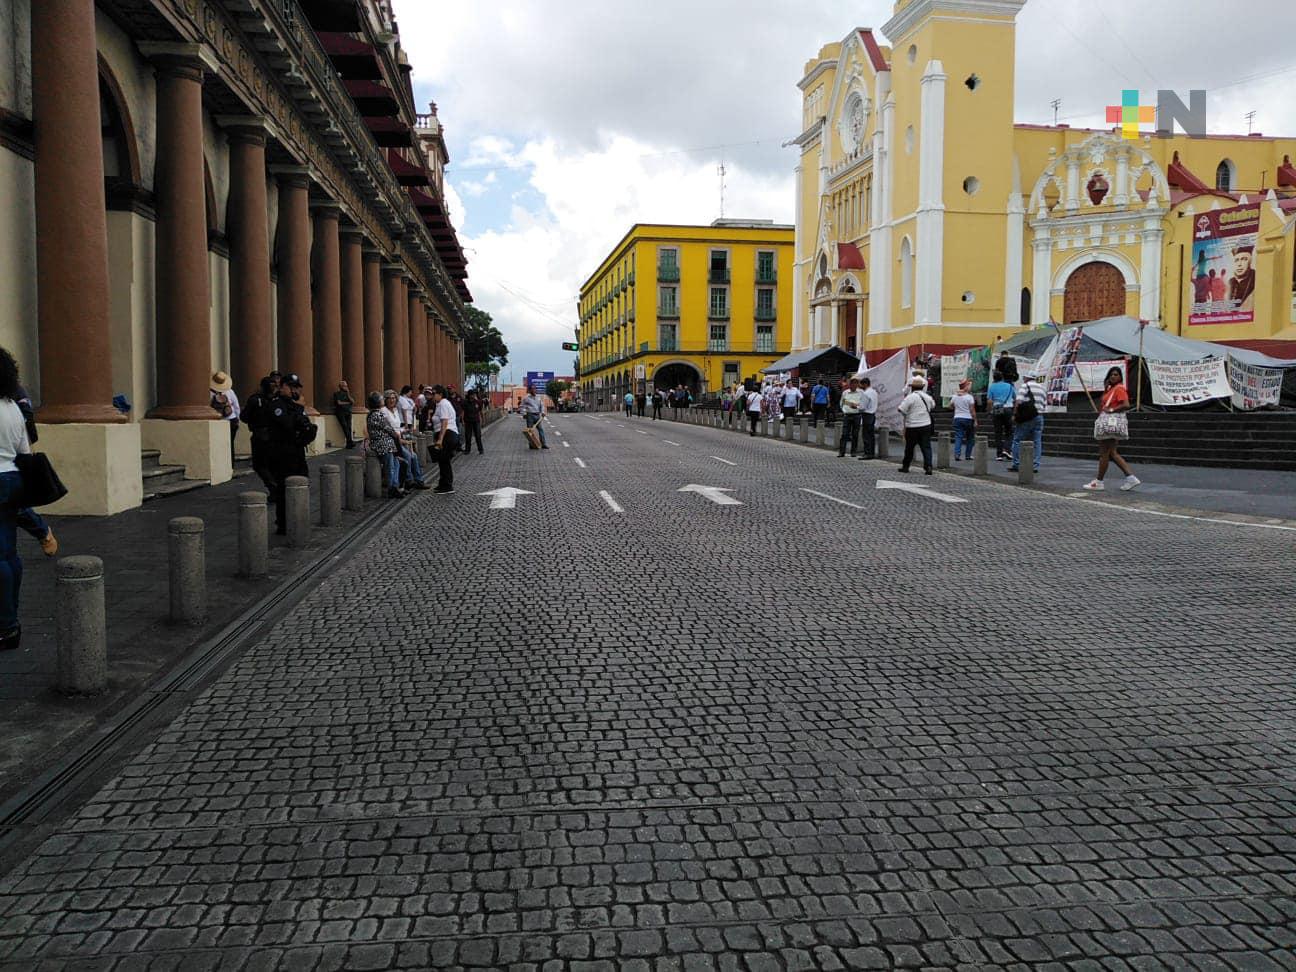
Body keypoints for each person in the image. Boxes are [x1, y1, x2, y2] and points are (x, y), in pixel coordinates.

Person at [0, 348, 31, 650]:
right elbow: (25, 451)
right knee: (9, 554)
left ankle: (6, 626)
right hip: (13, 479)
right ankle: (12, 618)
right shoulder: (12, 408)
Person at [264, 373, 316, 535]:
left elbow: (307, 427)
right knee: (284, 489)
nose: (294, 391)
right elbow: (287, 424)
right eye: (291, 387)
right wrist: (299, 411)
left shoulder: (294, 406)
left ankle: (298, 520)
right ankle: (283, 524)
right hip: (281, 454)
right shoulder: (277, 405)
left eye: (296, 388)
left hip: (297, 451)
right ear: (282, 387)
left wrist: (304, 431)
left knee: (301, 483)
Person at [12, 383, 56, 556]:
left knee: (13, 503)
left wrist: (26, 445)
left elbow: (27, 419)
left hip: (10, 453)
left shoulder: (14, 391)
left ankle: (41, 530)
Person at [1084, 367, 1141, 492]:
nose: (1113, 376)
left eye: (1116, 374)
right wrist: (1106, 389)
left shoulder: (1119, 388)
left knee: (1104, 453)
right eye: (1111, 374)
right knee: (1112, 453)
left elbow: (1126, 404)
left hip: (1110, 423)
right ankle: (1130, 478)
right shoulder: (1111, 389)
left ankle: (1099, 481)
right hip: (1111, 424)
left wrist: (1111, 410)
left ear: (1120, 377)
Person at [241, 372, 280, 498]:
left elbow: (244, 417)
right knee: (271, 463)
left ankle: (274, 487)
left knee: (259, 465)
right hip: (274, 435)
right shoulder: (276, 400)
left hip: (260, 434)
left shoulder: (255, 399)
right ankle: (276, 488)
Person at [382, 389, 428, 487]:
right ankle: (409, 480)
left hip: (399, 438)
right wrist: (401, 439)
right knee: (408, 455)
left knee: (414, 456)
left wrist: (404, 430)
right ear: (385, 400)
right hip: (392, 441)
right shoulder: (384, 411)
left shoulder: (395, 410)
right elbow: (388, 429)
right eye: (389, 398)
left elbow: (397, 427)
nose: (392, 400)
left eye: (394, 398)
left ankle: (419, 480)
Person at [365, 391, 406, 498]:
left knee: (396, 463)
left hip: (386, 444)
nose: (383, 400)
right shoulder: (377, 414)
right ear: (377, 402)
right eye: (381, 399)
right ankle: (391, 488)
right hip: (383, 445)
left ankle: (395, 486)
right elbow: (388, 429)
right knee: (390, 467)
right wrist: (395, 434)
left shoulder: (374, 414)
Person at [1009, 369, 1047, 474]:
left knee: (1017, 440)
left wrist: (1014, 415)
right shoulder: (1043, 388)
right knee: (1037, 441)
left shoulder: (1025, 386)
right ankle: (1035, 465)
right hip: (1039, 416)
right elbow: (1044, 404)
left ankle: (1017, 464)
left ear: (1027, 378)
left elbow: (1018, 401)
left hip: (1026, 417)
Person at [897, 375, 936, 475]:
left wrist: (907, 414)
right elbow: (933, 405)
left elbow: (901, 409)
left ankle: (906, 466)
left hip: (912, 426)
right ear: (922, 387)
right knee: (926, 447)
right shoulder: (927, 397)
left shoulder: (910, 397)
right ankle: (928, 466)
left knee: (909, 448)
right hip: (926, 424)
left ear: (912, 387)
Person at [429, 385, 460, 494]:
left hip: (447, 434)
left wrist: (440, 439)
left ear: (440, 394)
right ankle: (443, 483)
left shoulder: (443, 404)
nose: (432, 396)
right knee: (442, 460)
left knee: (444, 460)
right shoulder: (440, 404)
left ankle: (447, 485)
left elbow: (444, 422)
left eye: (434, 393)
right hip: (447, 434)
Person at [209, 370, 240, 462]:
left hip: (219, 421)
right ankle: (231, 463)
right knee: (230, 444)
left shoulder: (210, 393)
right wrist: (237, 419)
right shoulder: (230, 391)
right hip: (231, 419)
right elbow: (236, 406)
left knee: (220, 445)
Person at [986, 370, 1016, 461]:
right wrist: (1014, 412)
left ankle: (999, 454)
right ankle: (1007, 450)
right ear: (1002, 377)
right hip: (1008, 408)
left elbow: (989, 401)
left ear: (994, 378)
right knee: (1009, 431)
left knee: (998, 432)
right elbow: (1015, 398)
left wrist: (989, 411)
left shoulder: (992, 387)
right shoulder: (1009, 386)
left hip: (997, 409)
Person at [950, 379, 977, 461]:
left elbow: (950, 406)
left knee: (958, 437)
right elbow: (972, 410)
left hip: (957, 417)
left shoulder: (954, 396)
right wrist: (975, 420)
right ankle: (968, 455)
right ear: (966, 387)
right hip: (968, 418)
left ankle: (957, 454)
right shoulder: (969, 397)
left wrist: (957, 408)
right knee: (970, 437)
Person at [838, 376, 863, 458]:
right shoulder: (845, 393)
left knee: (855, 434)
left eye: (856, 384)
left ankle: (853, 452)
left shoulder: (861, 393)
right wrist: (844, 410)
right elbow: (841, 403)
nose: (854, 385)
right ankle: (842, 452)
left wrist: (857, 407)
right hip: (847, 415)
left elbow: (863, 404)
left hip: (857, 415)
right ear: (850, 384)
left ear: (857, 385)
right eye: (852, 384)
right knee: (844, 434)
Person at [856, 376, 878, 460]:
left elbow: (862, 407)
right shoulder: (874, 392)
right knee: (871, 435)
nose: (860, 386)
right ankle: (871, 453)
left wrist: (856, 406)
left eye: (861, 384)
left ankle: (867, 453)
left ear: (865, 384)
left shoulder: (866, 394)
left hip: (866, 415)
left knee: (866, 435)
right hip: (872, 415)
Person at [331, 380, 356, 448]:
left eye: (346, 386)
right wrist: (348, 403)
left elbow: (352, 402)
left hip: (348, 412)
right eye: (344, 386)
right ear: (340, 387)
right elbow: (339, 403)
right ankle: (350, 441)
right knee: (344, 426)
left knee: (349, 427)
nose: (346, 387)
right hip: (340, 412)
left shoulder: (348, 394)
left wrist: (348, 394)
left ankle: (349, 442)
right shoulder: (337, 394)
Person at [461, 389, 484, 454]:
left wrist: (482, 419)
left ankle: (480, 450)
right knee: (468, 436)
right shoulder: (465, 402)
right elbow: (463, 412)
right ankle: (467, 450)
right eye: (472, 394)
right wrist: (462, 420)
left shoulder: (478, 402)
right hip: (468, 421)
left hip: (476, 421)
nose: (474, 396)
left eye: (474, 394)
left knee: (478, 436)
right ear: (469, 395)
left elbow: (480, 411)